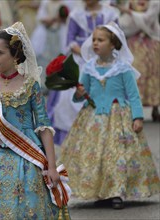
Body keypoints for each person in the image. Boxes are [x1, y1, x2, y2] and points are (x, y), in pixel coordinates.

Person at [0, 22, 71, 219]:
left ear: (15, 55)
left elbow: (44, 127)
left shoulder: (30, 85)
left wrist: (52, 166)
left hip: (25, 161)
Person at [59, 22, 160, 209]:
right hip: (93, 118)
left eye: (101, 40)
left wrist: (137, 117)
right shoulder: (89, 67)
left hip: (118, 118)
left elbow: (133, 95)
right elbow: (81, 95)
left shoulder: (123, 68)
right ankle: (101, 190)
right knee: (96, 155)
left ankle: (117, 191)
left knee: (117, 154)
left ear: (113, 44)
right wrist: (79, 93)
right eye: (94, 40)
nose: (96, 43)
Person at [47, 0, 119, 145]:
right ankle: (74, 135)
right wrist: (84, 53)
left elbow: (117, 39)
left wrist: (101, 53)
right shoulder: (76, 15)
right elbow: (70, 41)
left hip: (104, 57)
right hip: (80, 58)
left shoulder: (110, 13)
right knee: (70, 96)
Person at [114, 0, 160, 122]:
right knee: (134, 73)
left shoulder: (155, 2)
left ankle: (156, 107)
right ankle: (134, 107)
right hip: (134, 43)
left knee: (154, 73)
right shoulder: (130, 1)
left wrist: (130, 12)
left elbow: (148, 19)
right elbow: (124, 24)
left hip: (152, 41)